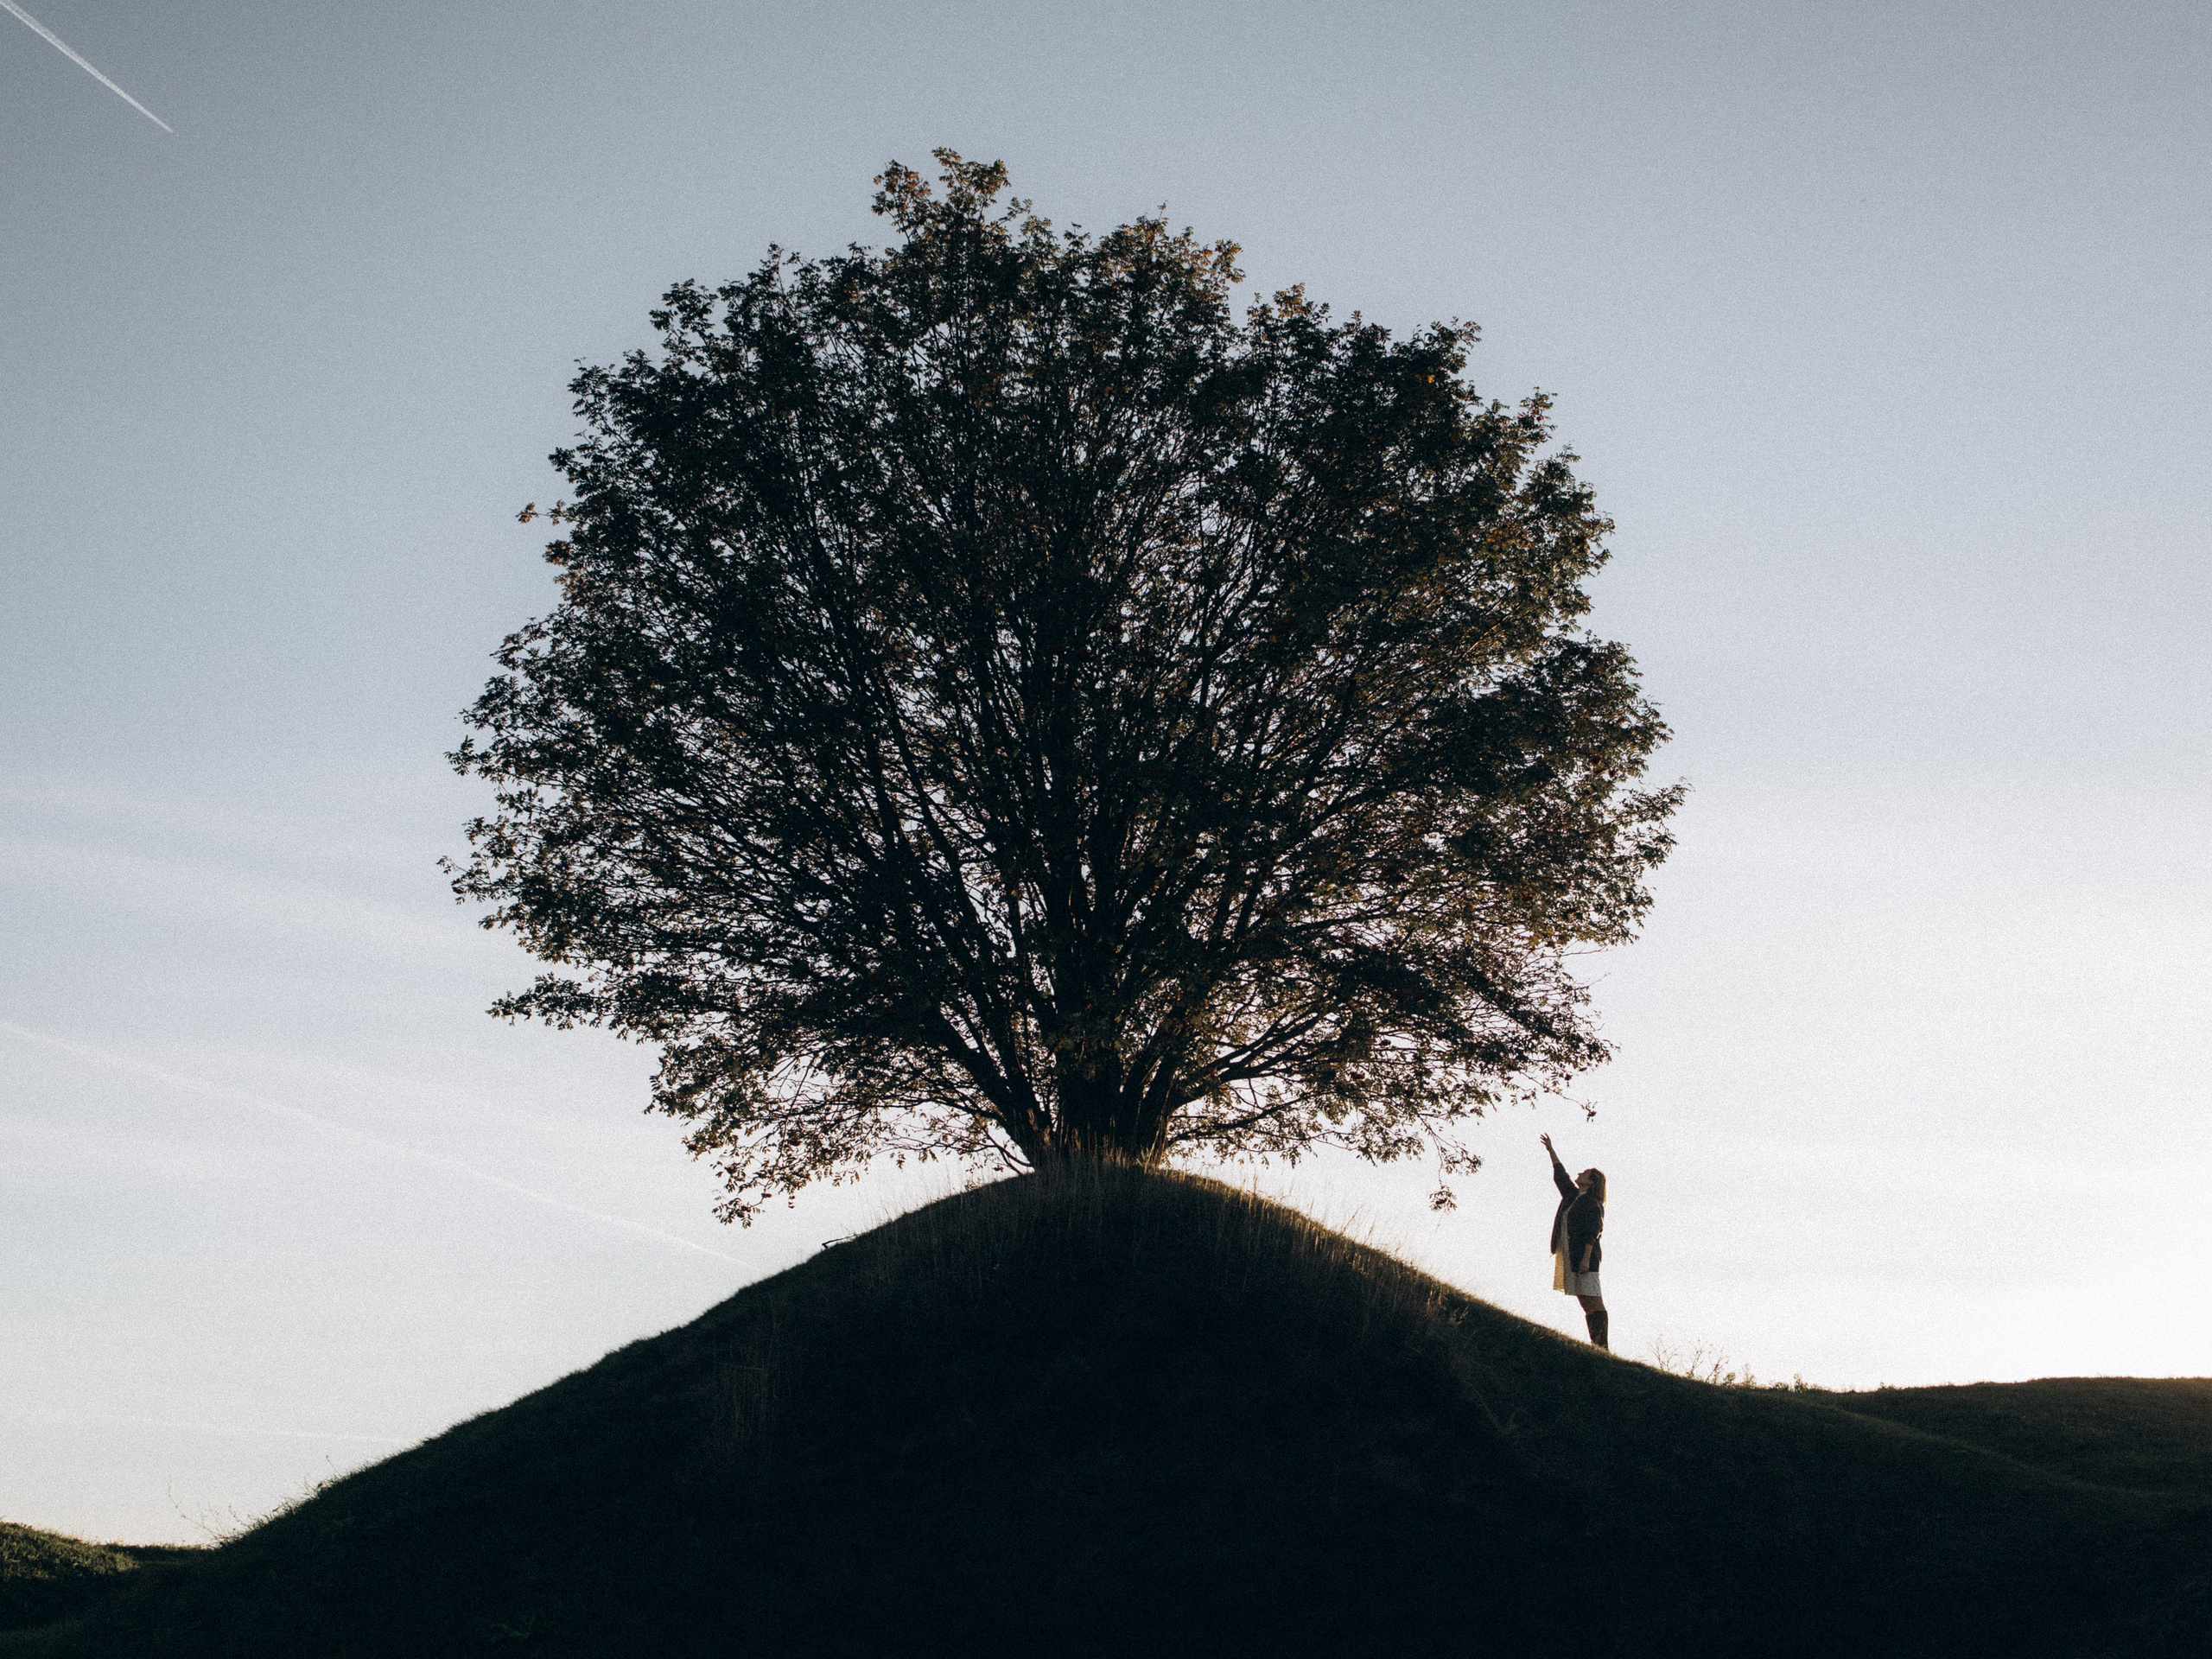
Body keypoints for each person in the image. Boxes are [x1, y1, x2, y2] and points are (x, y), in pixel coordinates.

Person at [1541, 1132, 1608, 1350]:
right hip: (1574, 1255)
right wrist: (1551, 1151)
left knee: (1593, 1300)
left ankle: (1602, 1346)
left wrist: (1586, 1259)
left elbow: (1593, 1231)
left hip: (1584, 1257)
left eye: (1584, 1173)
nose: (1579, 1174)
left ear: (1591, 1182)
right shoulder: (1573, 1197)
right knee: (1585, 1301)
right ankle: (1597, 1346)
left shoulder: (1592, 1202)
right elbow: (1561, 1177)